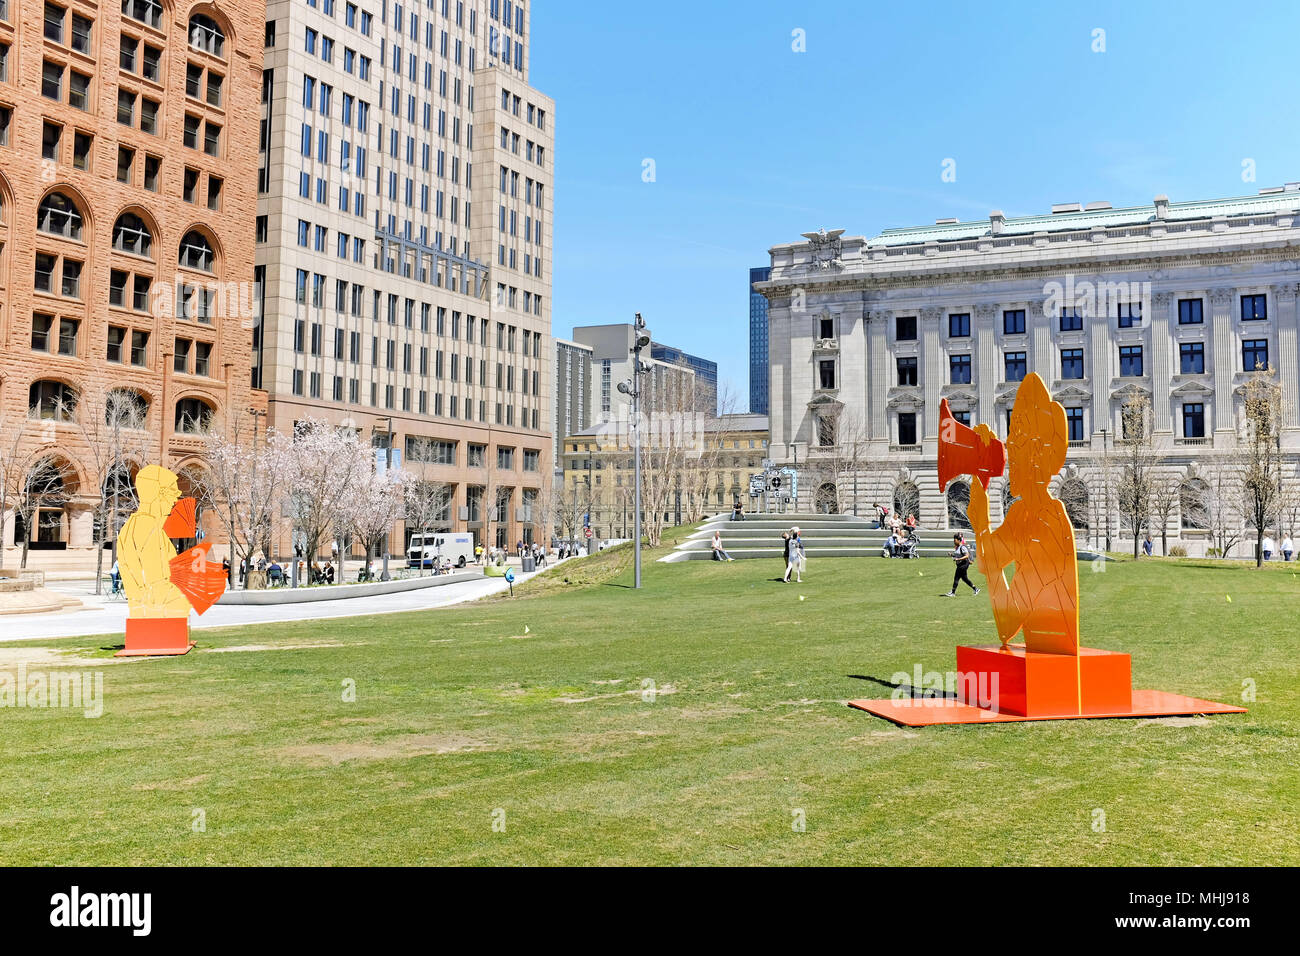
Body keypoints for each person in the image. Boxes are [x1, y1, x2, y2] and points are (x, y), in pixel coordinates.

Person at [944, 533, 980, 597]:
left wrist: (958, 559)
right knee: (964, 579)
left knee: (956, 577)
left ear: (959, 540)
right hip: (961, 564)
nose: (954, 542)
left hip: (963, 564)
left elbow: (967, 555)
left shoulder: (962, 547)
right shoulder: (958, 547)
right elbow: (958, 555)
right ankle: (976, 589)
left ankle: (953, 592)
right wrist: (952, 555)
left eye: (955, 540)